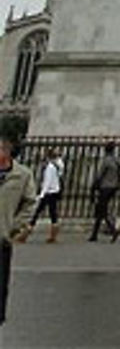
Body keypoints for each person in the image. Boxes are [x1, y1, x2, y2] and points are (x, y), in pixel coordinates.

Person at [0, 135, 36, 329]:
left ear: (5, 152)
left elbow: (30, 203)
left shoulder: (22, 175)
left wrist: (15, 226)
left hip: (2, 239)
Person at [89, 141, 120, 242]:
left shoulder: (106, 161)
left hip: (105, 187)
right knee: (100, 209)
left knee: (102, 210)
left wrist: (94, 186)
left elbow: (100, 175)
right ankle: (94, 234)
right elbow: (119, 175)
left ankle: (112, 229)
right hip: (113, 187)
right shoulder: (116, 161)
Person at [29, 148, 64, 243]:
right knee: (51, 213)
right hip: (54, 191)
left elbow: (47, 182)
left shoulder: (50, 167)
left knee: (40, 212)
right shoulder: (57, 165)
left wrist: (41, 195)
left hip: (49, 192)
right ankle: (53, 234)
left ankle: (28, 230)